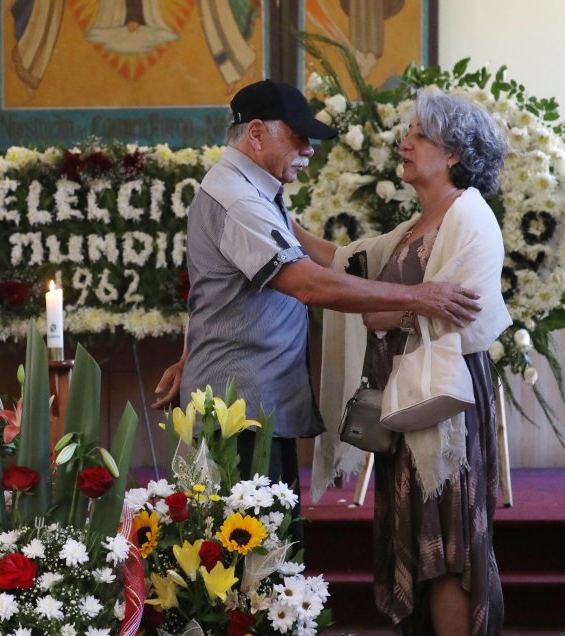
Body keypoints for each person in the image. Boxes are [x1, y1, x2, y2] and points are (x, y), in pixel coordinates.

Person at [152, 79, 482, 544]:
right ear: (258, 134)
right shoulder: (239, 198)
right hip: (240, 409)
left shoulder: (254, 187)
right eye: (299, 136)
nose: (309, 150)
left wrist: (189, 358)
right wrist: (419, 297)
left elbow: (221, 290)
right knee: (248, 567)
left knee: (265, 561)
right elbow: (306, 283)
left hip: (252, 398)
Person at [312, 88, 509, 635]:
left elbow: (467, 317)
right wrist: (276, 223)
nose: (405, 142)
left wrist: (388, 314)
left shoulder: (470, 216)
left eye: (419, 134)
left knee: (444, 553)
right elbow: (344, 264)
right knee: (421, 548)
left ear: (453, 154)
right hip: (408, 404)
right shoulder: (415, 226)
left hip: (445, 407)